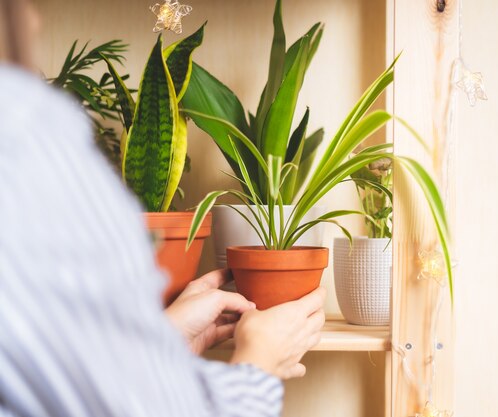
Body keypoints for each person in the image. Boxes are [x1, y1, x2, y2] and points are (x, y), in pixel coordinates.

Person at [0, 1, 325, 416]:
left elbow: (41, 365)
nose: (34, 18)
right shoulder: (23, 140)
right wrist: (259, 365)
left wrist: (162, 341)